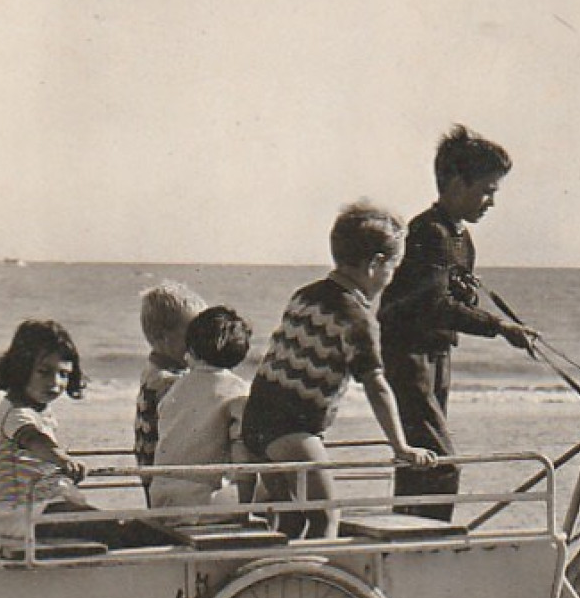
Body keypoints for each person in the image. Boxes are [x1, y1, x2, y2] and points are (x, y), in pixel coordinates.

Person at [240, 201, 437, 539]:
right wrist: (401, 447)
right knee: (326, 516)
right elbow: (377, 387)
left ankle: (278, 578)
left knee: (290, 517)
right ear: (376, 264)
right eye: (393, 268)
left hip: (255, 420)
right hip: (293, 431)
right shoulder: (357, 318)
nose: (391, 278)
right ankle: (313, 581)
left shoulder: (305, 295)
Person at [378, 125, 539, 520]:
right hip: (410, 355)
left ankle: (412, 534)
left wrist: (475, 305)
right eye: (486, 190)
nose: (491, 202)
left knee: (423, 458)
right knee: (440, 462)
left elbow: (448, 300)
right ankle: (429, 538)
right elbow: (435, 305)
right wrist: (501, 328)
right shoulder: (429, 232)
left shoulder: (459, 237)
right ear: (453, 182)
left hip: (436, 355)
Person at [0, 320, 151, 555]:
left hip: (37, 508)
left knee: (117, 525)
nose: (55, 383)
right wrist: (61, 459)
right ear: (21, 367)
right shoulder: (16, 413)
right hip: (20, 516)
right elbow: (33, 439)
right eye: (44, 372)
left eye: (64, 374)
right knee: (117, 528)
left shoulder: (37, 410)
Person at [150, 306, 256, 512]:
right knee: (268, 489)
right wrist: (246, 508)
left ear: (191, 348)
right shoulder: (237, 390)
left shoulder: (175, 386)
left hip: (161, 498)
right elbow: (242, 457)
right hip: (202, 502)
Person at [134, 281, 209, 503]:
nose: (199, 342)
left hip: (155, 467)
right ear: (161, 338)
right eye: (192, 336)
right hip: (162, 472)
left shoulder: (158, 369)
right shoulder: (164, 380)